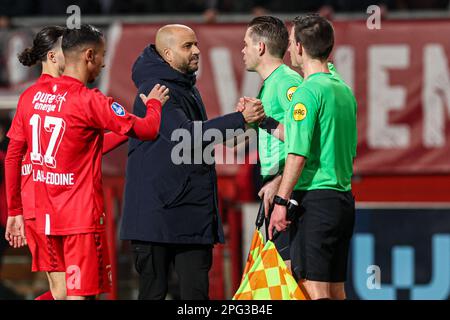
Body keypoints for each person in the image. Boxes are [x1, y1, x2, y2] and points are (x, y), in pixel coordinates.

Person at [5, 24, 169, 300]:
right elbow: (148, 129)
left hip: (43, 214)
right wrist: (154, 106)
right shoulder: (88, 100)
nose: (105, 64)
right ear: (89, 55)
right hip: (78, 218)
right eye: (103, 55)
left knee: (61, 293)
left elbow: (19, 154)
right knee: (80, 295)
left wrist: (14, 210)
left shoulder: (30, 97)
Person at [120, 24, 265, 300]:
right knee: (155, 294)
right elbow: (183, 136)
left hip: (187, 215)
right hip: (157, 220)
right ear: (168, 54)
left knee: (196, 297)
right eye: (188, 46)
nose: (197, 50)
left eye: (196, 44)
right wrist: (238, 120)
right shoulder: (155, 89)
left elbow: (202, 139)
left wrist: (244, 125)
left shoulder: (186, 87)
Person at [268, 14, 357, 300]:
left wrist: (281, 201)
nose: (290, 49)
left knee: (312, 288)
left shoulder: (306, 93)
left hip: (315, 201)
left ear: (300, 48)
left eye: (292, 42)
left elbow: (297, 154)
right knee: (336, 289)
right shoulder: (342, 89)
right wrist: (265, 122)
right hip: (342, 199)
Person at [241, 16, 302, 268]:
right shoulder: (269, 86)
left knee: (290, 280)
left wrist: (278, 182)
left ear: (260, 47)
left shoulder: (287, 82)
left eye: (246, 44)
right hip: (277, 188)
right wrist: (243, 119)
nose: (242, 50)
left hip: (288, 189)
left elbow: (303, 136)